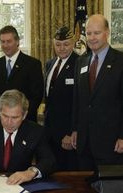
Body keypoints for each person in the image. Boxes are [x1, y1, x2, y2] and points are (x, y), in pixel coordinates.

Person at [71, 14, 123, 192]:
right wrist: (76, 129)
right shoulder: (81, 62)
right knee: (85, 188)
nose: (92, 37)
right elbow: (78, 101)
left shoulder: (120, 61)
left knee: (110, 188)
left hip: (112, 144)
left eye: (97, 33)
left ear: (107, 33)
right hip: (84, 143)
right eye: (89, 33)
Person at [0, 25, 44, 122]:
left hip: (25, 121)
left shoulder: (33, 64)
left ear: (17, 41)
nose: (5, 45)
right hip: (1, 121)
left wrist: (20, 117)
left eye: (9, 41)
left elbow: (37, 95)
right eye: (3, 42)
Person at [44, 26, 79, 171]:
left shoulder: (80, 63)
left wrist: (72, 132)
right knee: (51, 171)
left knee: (68, 174)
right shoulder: (50, 64)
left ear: (73, 43)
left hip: (67, 134)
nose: (62, 48)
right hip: (49, 131)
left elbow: (79, 102)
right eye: (58, 44)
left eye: (66, 44)